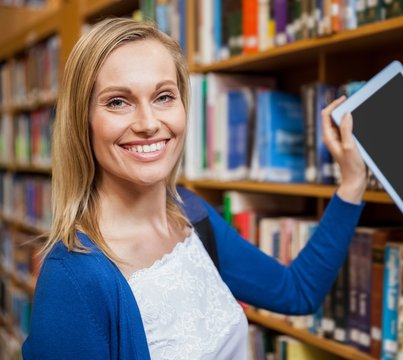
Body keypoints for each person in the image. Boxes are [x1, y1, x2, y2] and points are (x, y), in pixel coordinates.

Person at [22, 17, 367, 359]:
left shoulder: (191, 213)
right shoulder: (71, 278)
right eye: (117, 102)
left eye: (164, 96)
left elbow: (297, 292)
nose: (148, 124)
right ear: (82, 121)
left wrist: (351, 184)